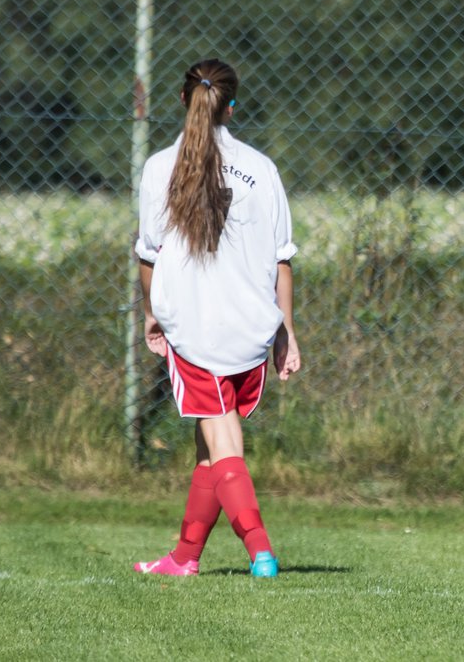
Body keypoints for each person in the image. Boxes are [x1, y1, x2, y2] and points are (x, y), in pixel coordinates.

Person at [133, 58, 301, 579]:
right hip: (252, 329)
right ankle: (184, 558)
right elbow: (282, 261)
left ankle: (261, 550)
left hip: (197, 330)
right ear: (232, 106)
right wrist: (286, 331)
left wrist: (151, 315)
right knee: (209, 449)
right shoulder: (263, 169)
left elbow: (149, 258)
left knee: (223, 442)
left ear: (183, 100)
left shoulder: (161, 167)